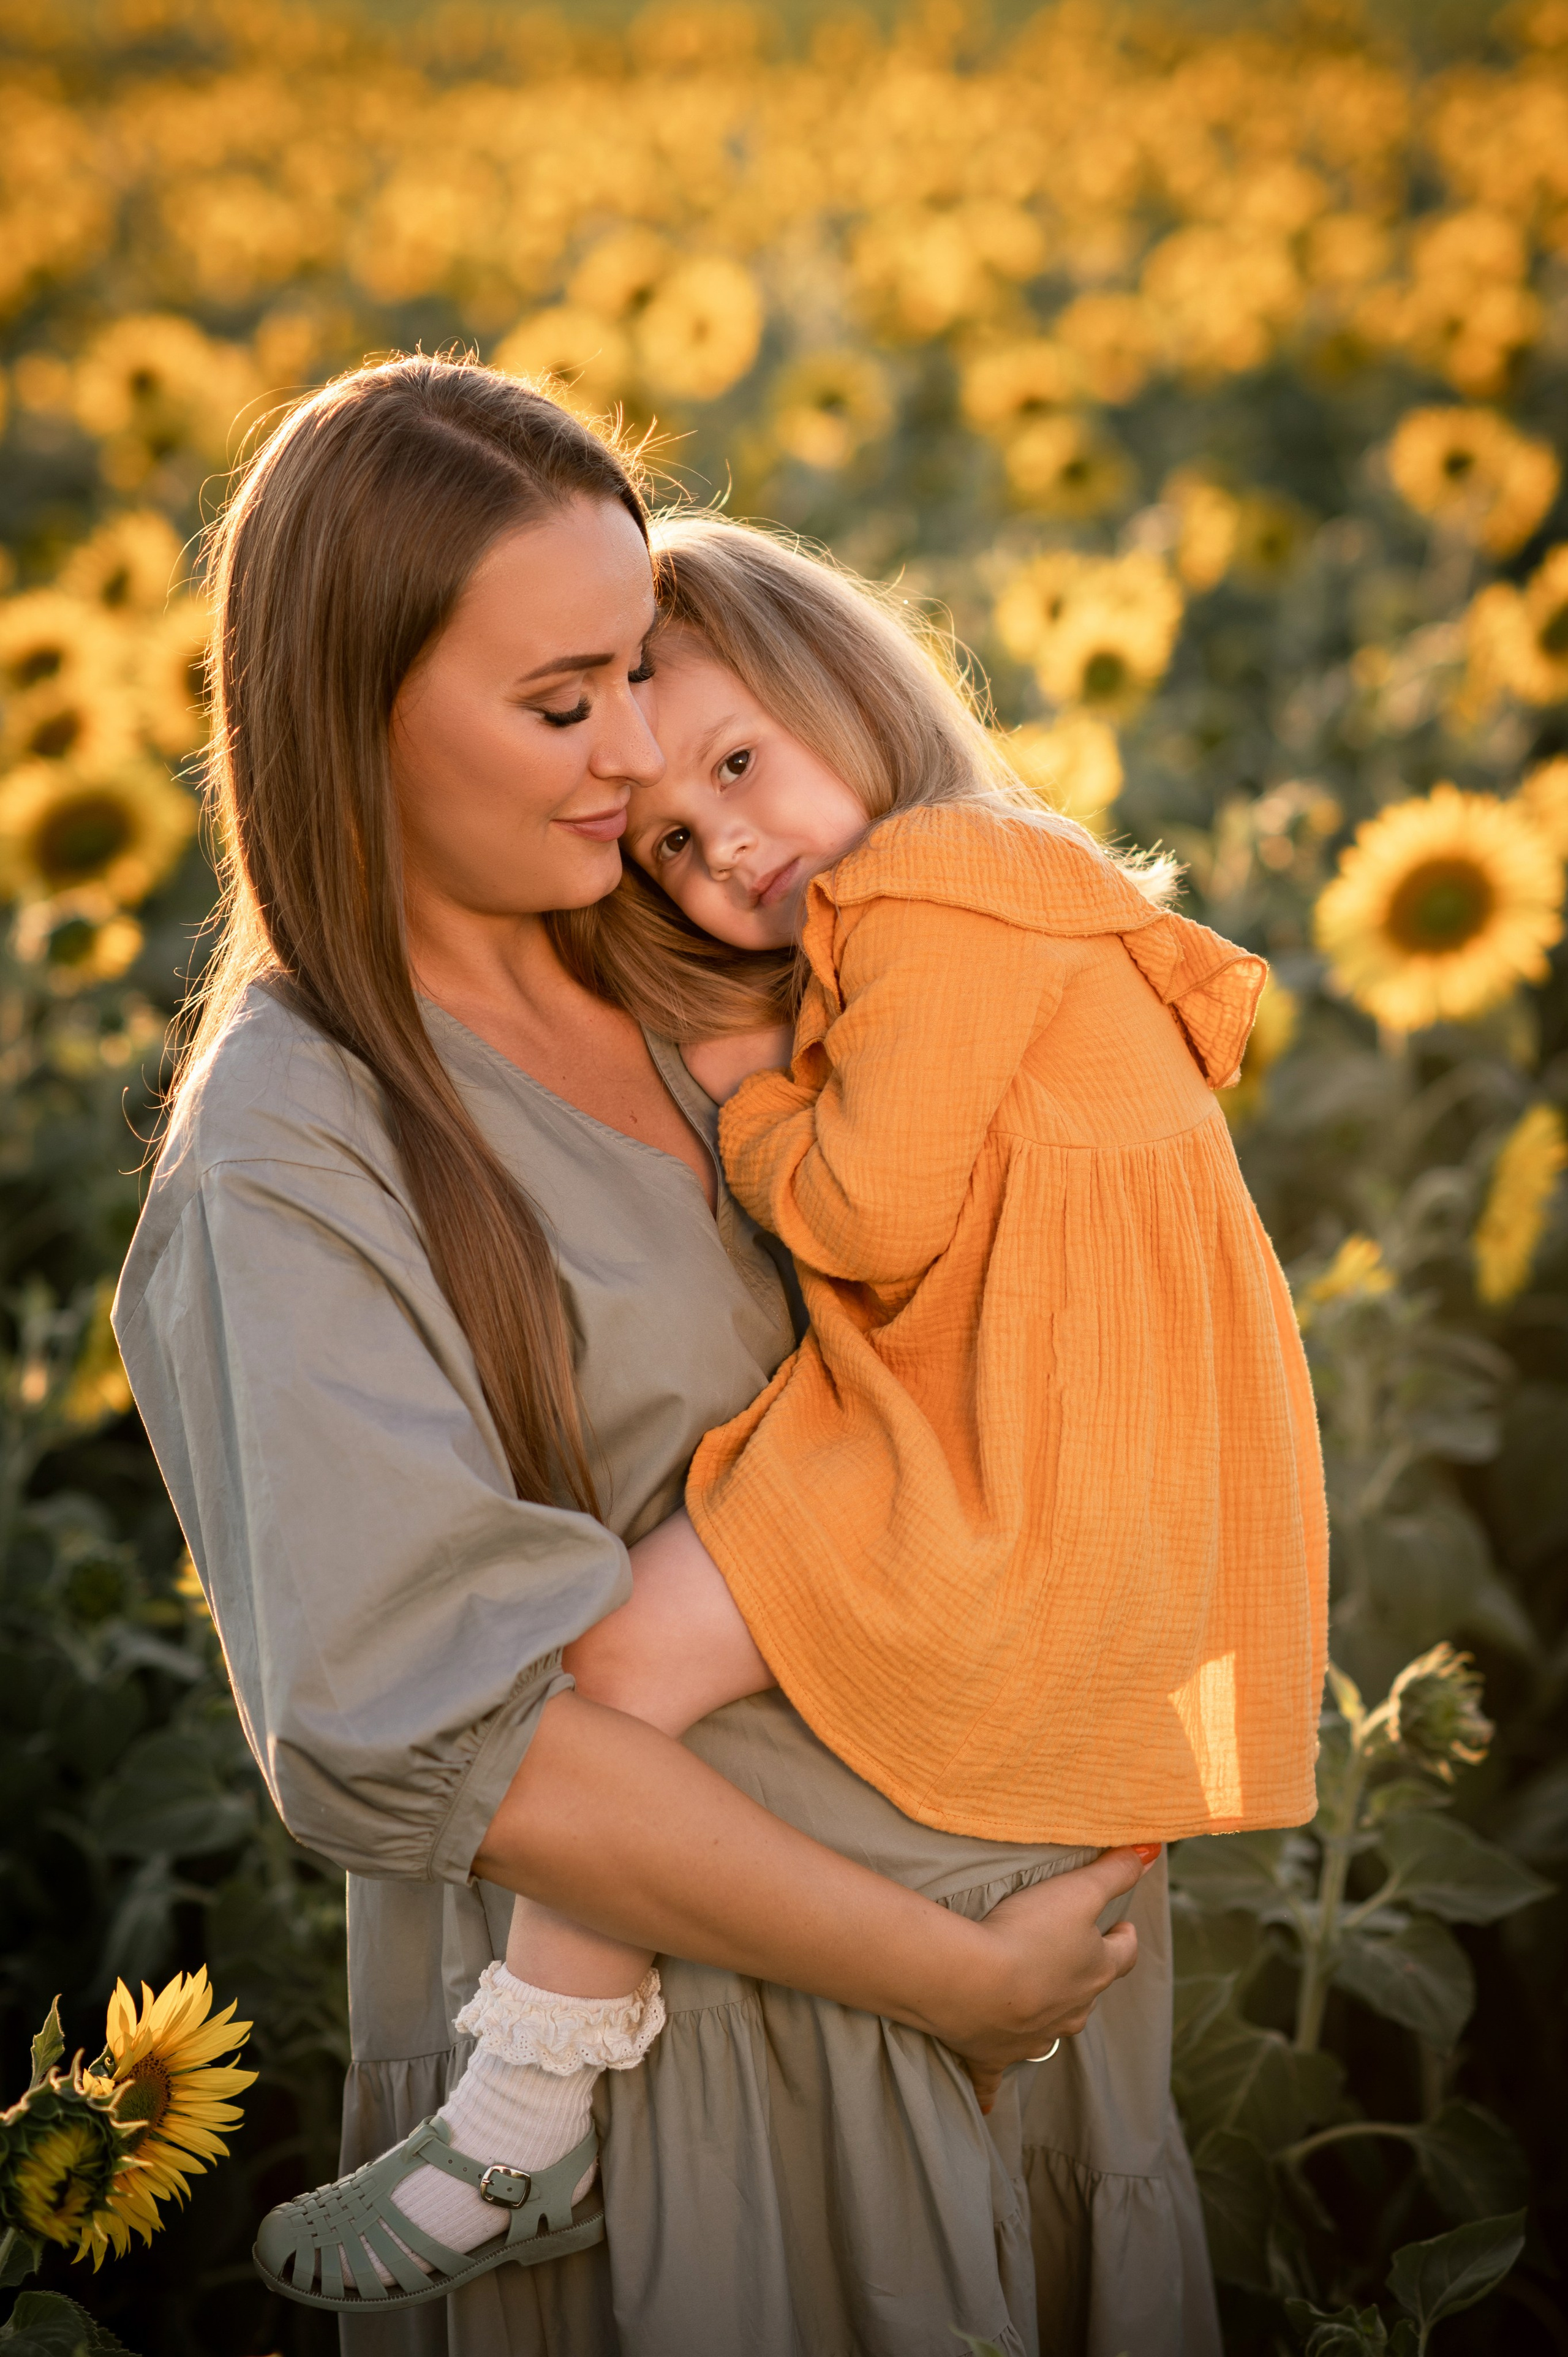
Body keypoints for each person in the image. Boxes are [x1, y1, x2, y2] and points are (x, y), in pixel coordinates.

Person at [114, 355, 1217, 2357]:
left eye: (642, 670)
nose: (634, 757)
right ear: (345, 715)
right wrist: (946, 1979)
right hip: (699, 2124)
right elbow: (463, 1739)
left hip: (1022, 2043)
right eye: (563, 702)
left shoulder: (699, 946)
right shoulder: (296, 1151)